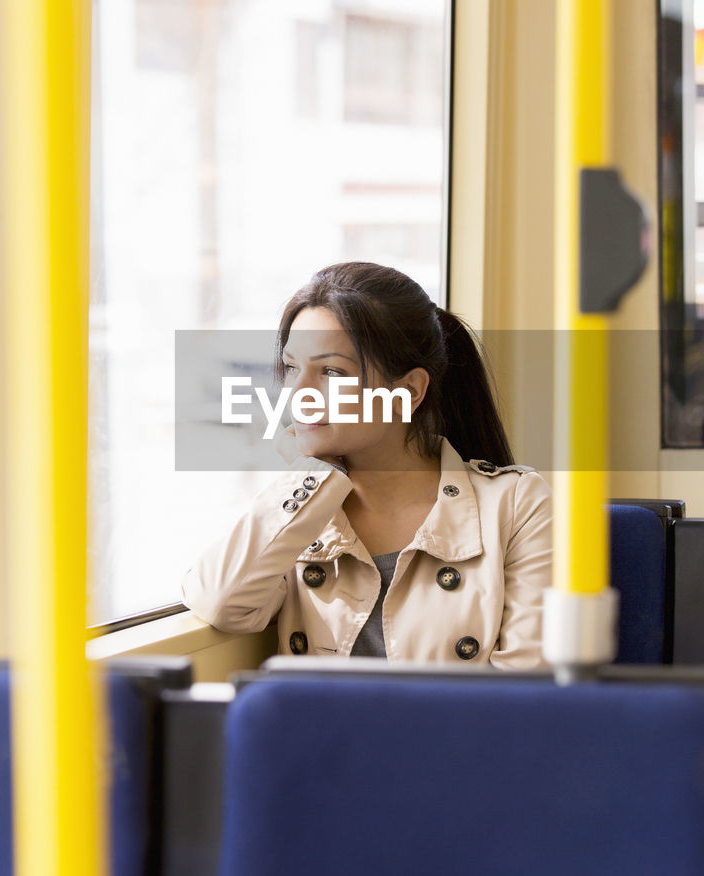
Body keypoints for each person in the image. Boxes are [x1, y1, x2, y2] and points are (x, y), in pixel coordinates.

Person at [182, 262, 552, 667]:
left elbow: (524, 689)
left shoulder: (517, 504)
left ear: (408, 391)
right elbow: (220, 601)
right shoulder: (304, 510)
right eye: (291, 367)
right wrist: (312, 476)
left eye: (331, 371)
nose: (298, 392)